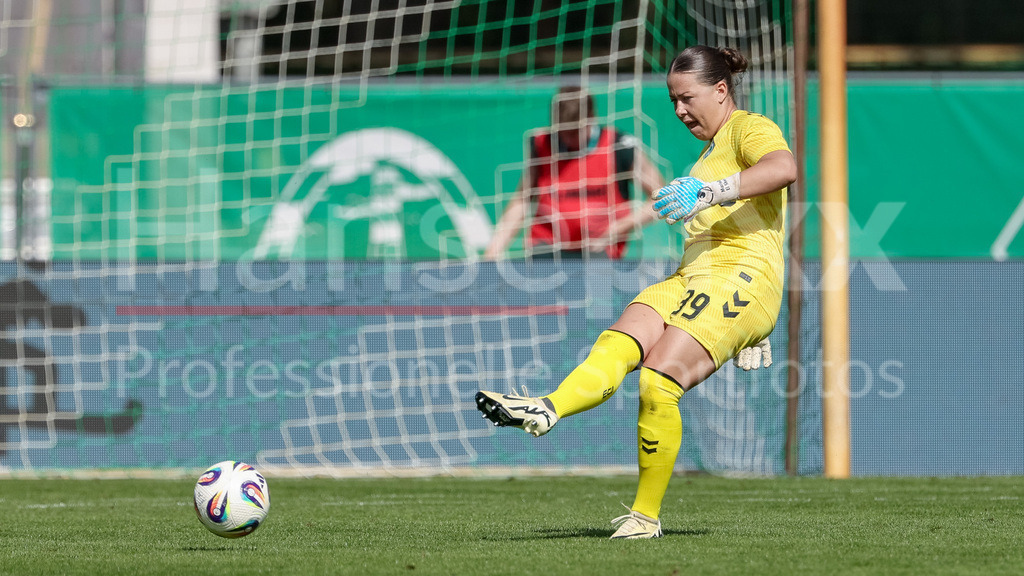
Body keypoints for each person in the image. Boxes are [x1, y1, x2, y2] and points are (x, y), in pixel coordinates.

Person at [476, 46, 796, 539]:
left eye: (687, 98)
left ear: (720, 90)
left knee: (658, 381)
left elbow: (782, 167)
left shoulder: (749, 127)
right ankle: (547, 408)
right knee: (621, 337)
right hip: (692, 276)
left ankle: (644, 518)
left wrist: (708, 193)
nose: (679, 111)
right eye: (672, 101)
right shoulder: (708, 153)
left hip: (740, 278)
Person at [483, 86, 664, 259]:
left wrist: (619, 227)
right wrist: (492, 253)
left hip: (600, 247)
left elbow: (661, 198)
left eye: (574, 132)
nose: (567, 138)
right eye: (562, 132)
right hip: (547, 244)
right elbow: (522, 200)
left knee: (597, 276)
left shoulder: (620, 145)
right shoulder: (543, 144)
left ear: (591, 118)